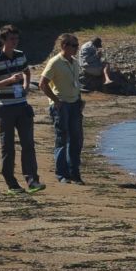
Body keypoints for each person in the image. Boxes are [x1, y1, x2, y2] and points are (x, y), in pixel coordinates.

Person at [0, 24, 43, 193]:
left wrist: (25, 86)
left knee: (28, 144)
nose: (15, 42)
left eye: (16, 39)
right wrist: (8, 81)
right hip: (5, 108)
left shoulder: (20, 55)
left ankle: (32, 180)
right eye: (11, 39)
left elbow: (27, 72)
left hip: (22, 105)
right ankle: (11, 183)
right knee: (7, 146)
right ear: (3, 40)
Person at [40, 33, 85, 184]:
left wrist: (79, 99)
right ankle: (62, 174)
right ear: (64, 46)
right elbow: (43, 83)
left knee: (76, 139)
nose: (76, 48)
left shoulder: (74, 62)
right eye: (73, 45)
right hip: (62, 105)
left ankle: (74, 172)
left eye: (77, 45)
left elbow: (76, 83)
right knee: (62, 138)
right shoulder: (55, 62)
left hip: (74, 104)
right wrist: (55, 101)